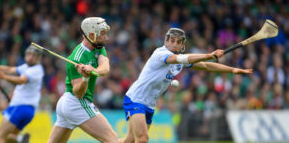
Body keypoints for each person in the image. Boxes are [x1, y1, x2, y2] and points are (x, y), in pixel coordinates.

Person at [122, 28, 253, 143]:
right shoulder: (160, 54)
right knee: (143, 139)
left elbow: (207, 66)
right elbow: (179, 59)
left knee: (129, 141)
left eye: (178, 42)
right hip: (136, 99)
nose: (174, 44)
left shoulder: (179, 59)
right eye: (172, 40)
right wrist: (209, 55)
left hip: (149, 104)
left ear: (182, 45)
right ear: (166, 41)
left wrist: (232, 70)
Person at [47, 17, 119, 143]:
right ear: (91, 34)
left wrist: (93, 71)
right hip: (76, 103)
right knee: (112, 140)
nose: (106, 38)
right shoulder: (76, 58)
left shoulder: (98, 47)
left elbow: (105, 68)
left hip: (67, 103)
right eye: (103, 34)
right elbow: (78, 93)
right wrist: (85, 78)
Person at [0, 45, 44, 143]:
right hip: (29, 111)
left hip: (19, 107)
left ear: (39, 58)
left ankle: (19, 139)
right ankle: (20, 139)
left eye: (34, 55)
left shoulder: (36, 70)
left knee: (0, 136)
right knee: (9, 137)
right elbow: (9, 69)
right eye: (29, 54)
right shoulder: (26, 67)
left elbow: (21, 80)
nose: (31, 57)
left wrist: (3, 77)